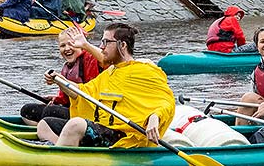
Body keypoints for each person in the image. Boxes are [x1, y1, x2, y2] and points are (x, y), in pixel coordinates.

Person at [36, 23, 176, 148]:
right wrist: (59, 80)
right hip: (105, 128)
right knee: (44, 125)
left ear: (122, 45)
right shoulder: (110, 73)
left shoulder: (146, 70)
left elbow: (167, 102)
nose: (101, 46)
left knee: (76, 124)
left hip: (125, 135)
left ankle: (63, 156)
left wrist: (154, 118)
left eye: (106, 42)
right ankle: (68, 151)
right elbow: (83, 93)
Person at [20, 26, 104, 124]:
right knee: (27, 110)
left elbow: (105, 59)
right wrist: (55, 99)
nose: (67, 48)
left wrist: (87, 45)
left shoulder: (91, 59)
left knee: (49, 111)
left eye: (71, 44)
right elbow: (65, 99)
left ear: (81, 45)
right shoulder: (67, 67)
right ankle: (47, 127)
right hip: (73, 109)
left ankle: (50, 127)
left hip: (89, 113)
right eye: (63, 45)